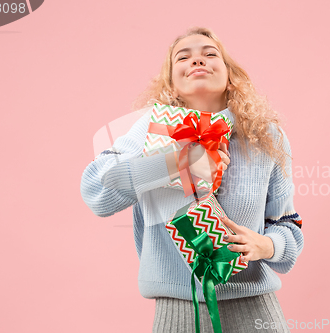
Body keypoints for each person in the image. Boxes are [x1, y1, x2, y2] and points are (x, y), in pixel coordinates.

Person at [80, 26, 304, 333]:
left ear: (230, 75)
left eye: (210, 54)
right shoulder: (149, 131)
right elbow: (97, 192)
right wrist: (181, 162)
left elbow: (289, 226)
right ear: (171, 81)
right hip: (177, 315)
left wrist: (266, 245)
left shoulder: (265, 137)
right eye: (182, 57)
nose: (197, 61)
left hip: (256, 312)